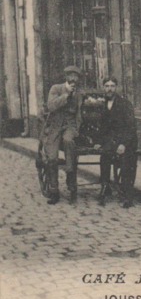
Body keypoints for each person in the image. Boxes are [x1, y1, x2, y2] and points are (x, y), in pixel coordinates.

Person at [40, 64, 84, 205]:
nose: (73, 79)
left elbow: (78, 114)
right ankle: (54, 191)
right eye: (71, 76)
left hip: (69, 126)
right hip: (55, 126)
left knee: (69, 141)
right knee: (52, 158)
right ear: (66, 77)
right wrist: (66, 95)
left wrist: (76, 128)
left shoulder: (79, 94)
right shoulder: (56, 89)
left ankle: (71, 182)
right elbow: (51, 106)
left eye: (76, 77)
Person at [97, 76, 138, 209]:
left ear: (116, 88)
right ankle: (105, 186)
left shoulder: (125, 104)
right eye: (107, 86)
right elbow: (101, 127)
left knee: (126, 162)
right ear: (103, 88)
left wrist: (123, 144)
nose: (109, 89)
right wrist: (99, 142)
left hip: (127, 141)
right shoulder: (102, 104)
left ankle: (128, 196)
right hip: (111, 141)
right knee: (104, 156)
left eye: (112, 86)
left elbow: (131, 127)